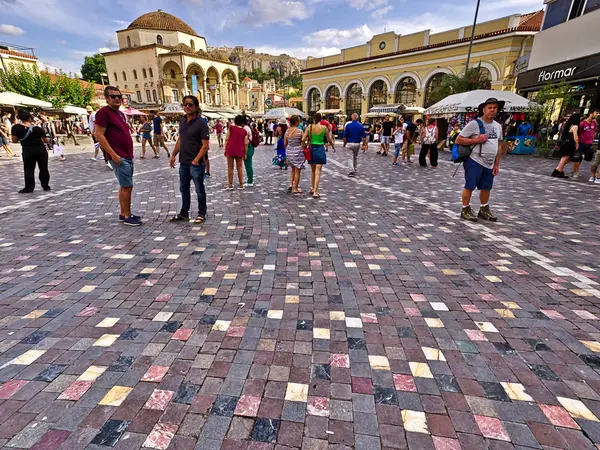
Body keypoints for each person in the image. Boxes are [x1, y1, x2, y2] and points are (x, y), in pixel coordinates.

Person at [94, 86, 142, 226]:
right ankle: (127, 215)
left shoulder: (120, 113)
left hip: (126, 155)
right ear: (107, 98)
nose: (116, 99)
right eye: (113, 96)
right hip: (119, 156)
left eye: (118, 96)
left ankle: (123, 213)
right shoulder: (104, 113)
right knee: (127, 186)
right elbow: (98, 134)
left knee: (125, 186)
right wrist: (113, 154)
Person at [455, 98, 503, 222]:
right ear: (484, 109)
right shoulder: (474, 124)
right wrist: (477, 139)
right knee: (470, 185)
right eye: (490, 107)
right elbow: (458, 140)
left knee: (486, 187)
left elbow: (499, 145)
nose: (492, 110)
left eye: (495, 108)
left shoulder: (498, 126)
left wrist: (497, 164)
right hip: (474, 160)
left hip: (490, 162)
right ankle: (465, 209)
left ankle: (484, 209)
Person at [169, 95, 210, 223]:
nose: (187, 107)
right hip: (184, 162)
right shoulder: (182, 121)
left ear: (196, 107)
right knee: (183, 188)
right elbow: (180, 139)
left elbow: (205, 146)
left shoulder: (201, 123)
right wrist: (174, 154)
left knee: (199, 189)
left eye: (190, 105)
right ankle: (184, 213)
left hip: (195, 163)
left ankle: (201, 213)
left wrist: (196, 160)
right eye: (185, 104)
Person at [10, 109, 50, 193]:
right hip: (41, 149)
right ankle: (45, 186)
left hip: (28, 150)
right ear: (30, 118)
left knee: (29, 169)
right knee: (43, 168)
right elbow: (46, 140)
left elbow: (14, 140)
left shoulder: (16, 128)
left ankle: (29, 188)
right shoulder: (37, 128)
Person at [303, 112, 335, 199]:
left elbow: (303, 139)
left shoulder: (310, 127)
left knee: (313, 171)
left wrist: (304, 145)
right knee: (318, 171)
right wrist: (332, 146)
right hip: (320, 149)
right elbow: (328, 139)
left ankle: (313, 188)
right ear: (320, 119)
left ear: (313, 119)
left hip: (311, 149)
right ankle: (316, 191)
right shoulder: (324, 128)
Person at [551, 113, 581, 179]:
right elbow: (575, 137)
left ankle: (557, 170)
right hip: (570, 144)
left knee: (565, 158)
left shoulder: (569, 125)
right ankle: (559, 171)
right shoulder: (575, 126)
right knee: (565, 158)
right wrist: (577, 144)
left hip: (567, 143)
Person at [224, 114, 248, 190]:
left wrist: (225, 149)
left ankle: (230, 184)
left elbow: (227, 139)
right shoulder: (244, 131)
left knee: (230, 167)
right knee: (240, 167)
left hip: (230, 149)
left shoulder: (231, 128)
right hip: (240, 150)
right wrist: (245, 153)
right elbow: (245, 144)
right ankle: (241, 184)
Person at [285, 115, 305, 193]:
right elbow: (303, 142)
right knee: (297, 171)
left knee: (292, 170)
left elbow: (285, 143)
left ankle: (290, 184)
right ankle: (296, 188)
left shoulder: (287, 131)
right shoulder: (300, 131)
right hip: (298, 152)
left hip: (289, 151)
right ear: (296, 122)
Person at [579, 110, 599, 181]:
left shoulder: (595, 123)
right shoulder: (582, 123)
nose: (598, 114)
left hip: (589, 143)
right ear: (591, 114)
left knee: (588, 158)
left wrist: (592, 138)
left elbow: (594, 132)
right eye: (596, 113)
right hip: (581, 142)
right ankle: (575, 172)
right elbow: (577, 132)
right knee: (578, 158)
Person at [243, 116, 256, 186]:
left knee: (248, 164)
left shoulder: (245, 128)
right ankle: (249, 179)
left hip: (248, 147)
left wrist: (245, 152)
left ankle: (250, 181)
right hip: (250, 147)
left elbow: (245, 142)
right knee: (248, 164)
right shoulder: (248, 127)